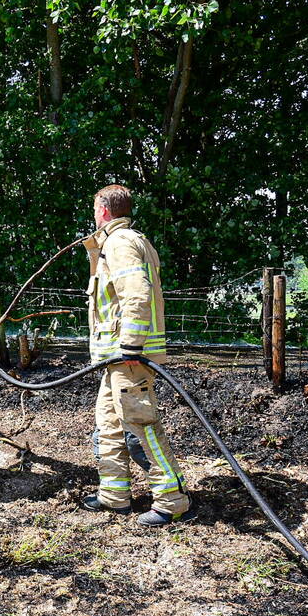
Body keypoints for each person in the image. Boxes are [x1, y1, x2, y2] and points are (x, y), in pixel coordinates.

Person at [80, 184, 194, 526]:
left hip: (128, 357)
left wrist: (130, 345)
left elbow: (137, 294)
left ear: (103, 210)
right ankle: (114, 495)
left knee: (142, 426)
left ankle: (172, 500)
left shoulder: (119, 242)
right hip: (116, 359)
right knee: (109, 425)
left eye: (94, 209)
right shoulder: (123, 241)